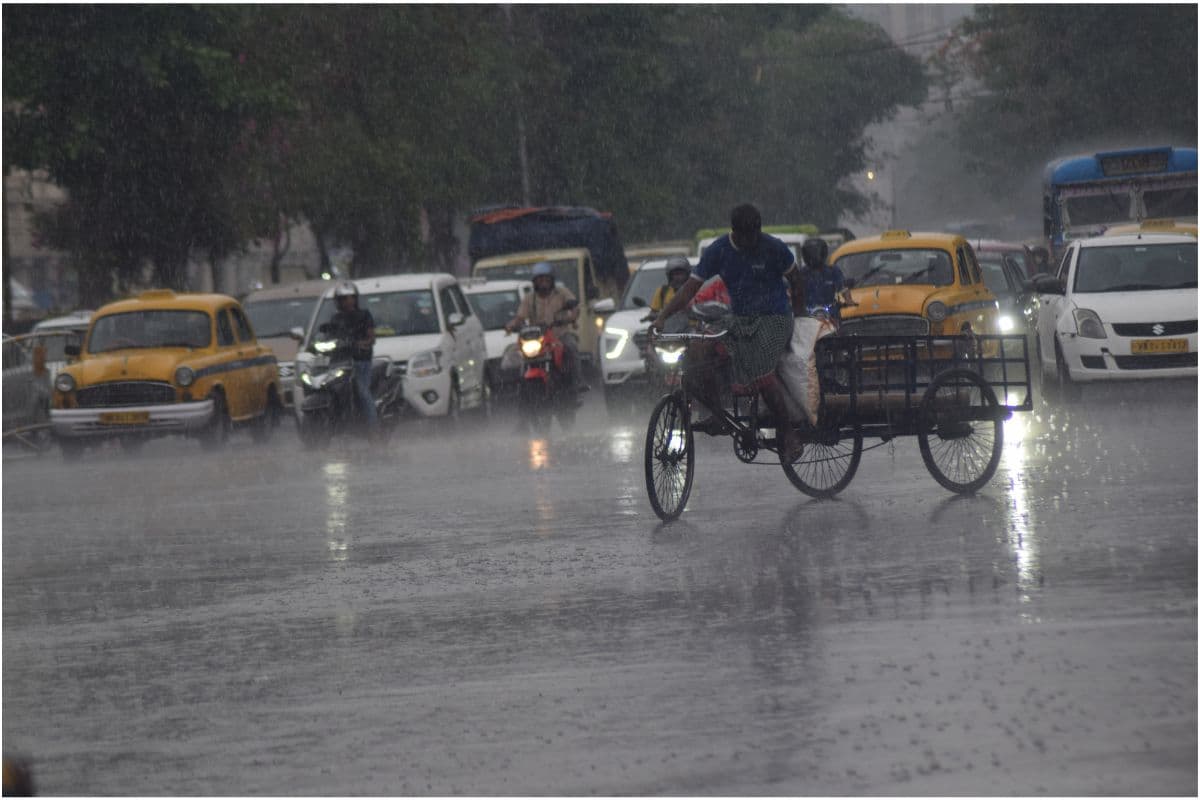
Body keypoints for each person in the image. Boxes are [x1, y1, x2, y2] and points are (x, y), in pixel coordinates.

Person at [651, 203, 806, 462]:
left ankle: (788, 430)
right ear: (735, 232)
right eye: (746, 237)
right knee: (699, 350)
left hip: (775, 319)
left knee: (761, 369)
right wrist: (662, 316)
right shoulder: (719, 251)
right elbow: (689, 290)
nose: (751, 242)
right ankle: (717, 412)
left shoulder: (773, 247)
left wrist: (800, 320)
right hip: (739, 319)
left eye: (755, 236)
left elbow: (797, 281)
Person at [504, 262, 581, 395]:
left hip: (559, 335)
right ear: (535, 282)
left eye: (546, 279)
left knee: (571, 347)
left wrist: (570, 317)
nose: (543, 282)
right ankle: (516, 390)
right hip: (537, 339)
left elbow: (575, 308)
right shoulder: (529, 298)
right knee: (512, 355)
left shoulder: (562, 292)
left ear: (552, 280)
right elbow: (520, 317)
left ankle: (576, 383)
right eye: (540, 279)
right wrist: (512, 325)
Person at [326, 280, 378, 430]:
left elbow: (371, 337)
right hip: (339, 361)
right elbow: (329, 337)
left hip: (360, 360)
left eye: (350, 297)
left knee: (362, 391)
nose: (348, 301)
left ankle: (374, 429)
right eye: (343, 298)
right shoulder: (336, 319)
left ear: (356, 298)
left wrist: (362, 344)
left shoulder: (364, 315)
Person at [798, 237, 846, 321]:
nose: (814, 256)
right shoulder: (800, 274)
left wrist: (848, 300)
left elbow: (843, 288)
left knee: (841, 329)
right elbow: (792, 291)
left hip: (830, 313)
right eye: (811, 253)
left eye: (816, 252)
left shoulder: (833, 271)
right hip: (808, 314)